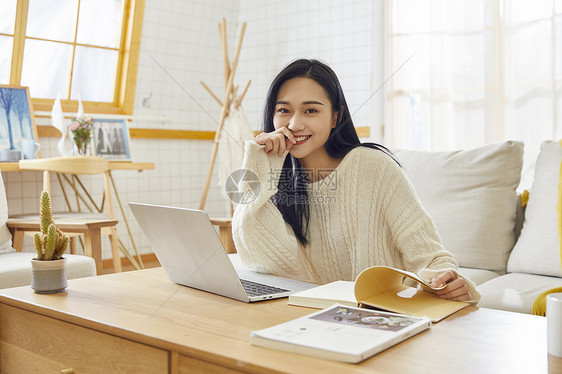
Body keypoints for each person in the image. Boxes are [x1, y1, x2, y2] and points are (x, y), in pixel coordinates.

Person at [232, 59, 479, 303]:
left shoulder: (374, 167)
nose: (294, 124)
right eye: (284, 110)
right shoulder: (277, 179)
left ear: (335, 118)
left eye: (311, 110)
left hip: (383, 315)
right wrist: (260, 165)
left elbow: (431, 257)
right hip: (311, 312)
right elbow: (260, 258)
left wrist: (446, 282)